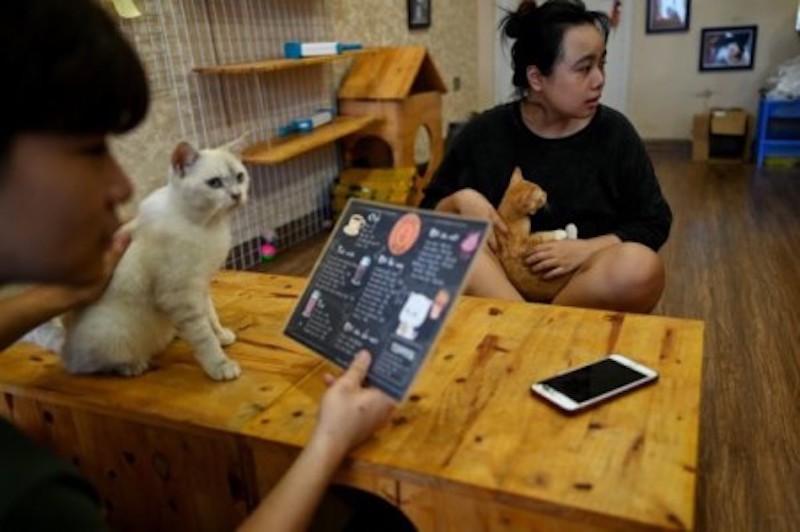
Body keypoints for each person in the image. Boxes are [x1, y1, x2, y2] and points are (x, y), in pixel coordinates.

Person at [0, 1, 397, 530]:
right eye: (91, 149)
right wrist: (329, 442)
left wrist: (64, 296)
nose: (122, 185)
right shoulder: (30, 497)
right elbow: (183, 300)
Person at [421, 0, 672, 313]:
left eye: (601, 64)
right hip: (499, 288)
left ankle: (526, 326)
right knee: (455, 248)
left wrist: (585, 250)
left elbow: (654, 221)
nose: (599, 79)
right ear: (537, 79)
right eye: (584, 68)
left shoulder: (615, 133)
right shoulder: (484, 134)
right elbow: (426, 219)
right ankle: (536, 326)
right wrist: (459, 200)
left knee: (641, 267)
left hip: (581, 288)